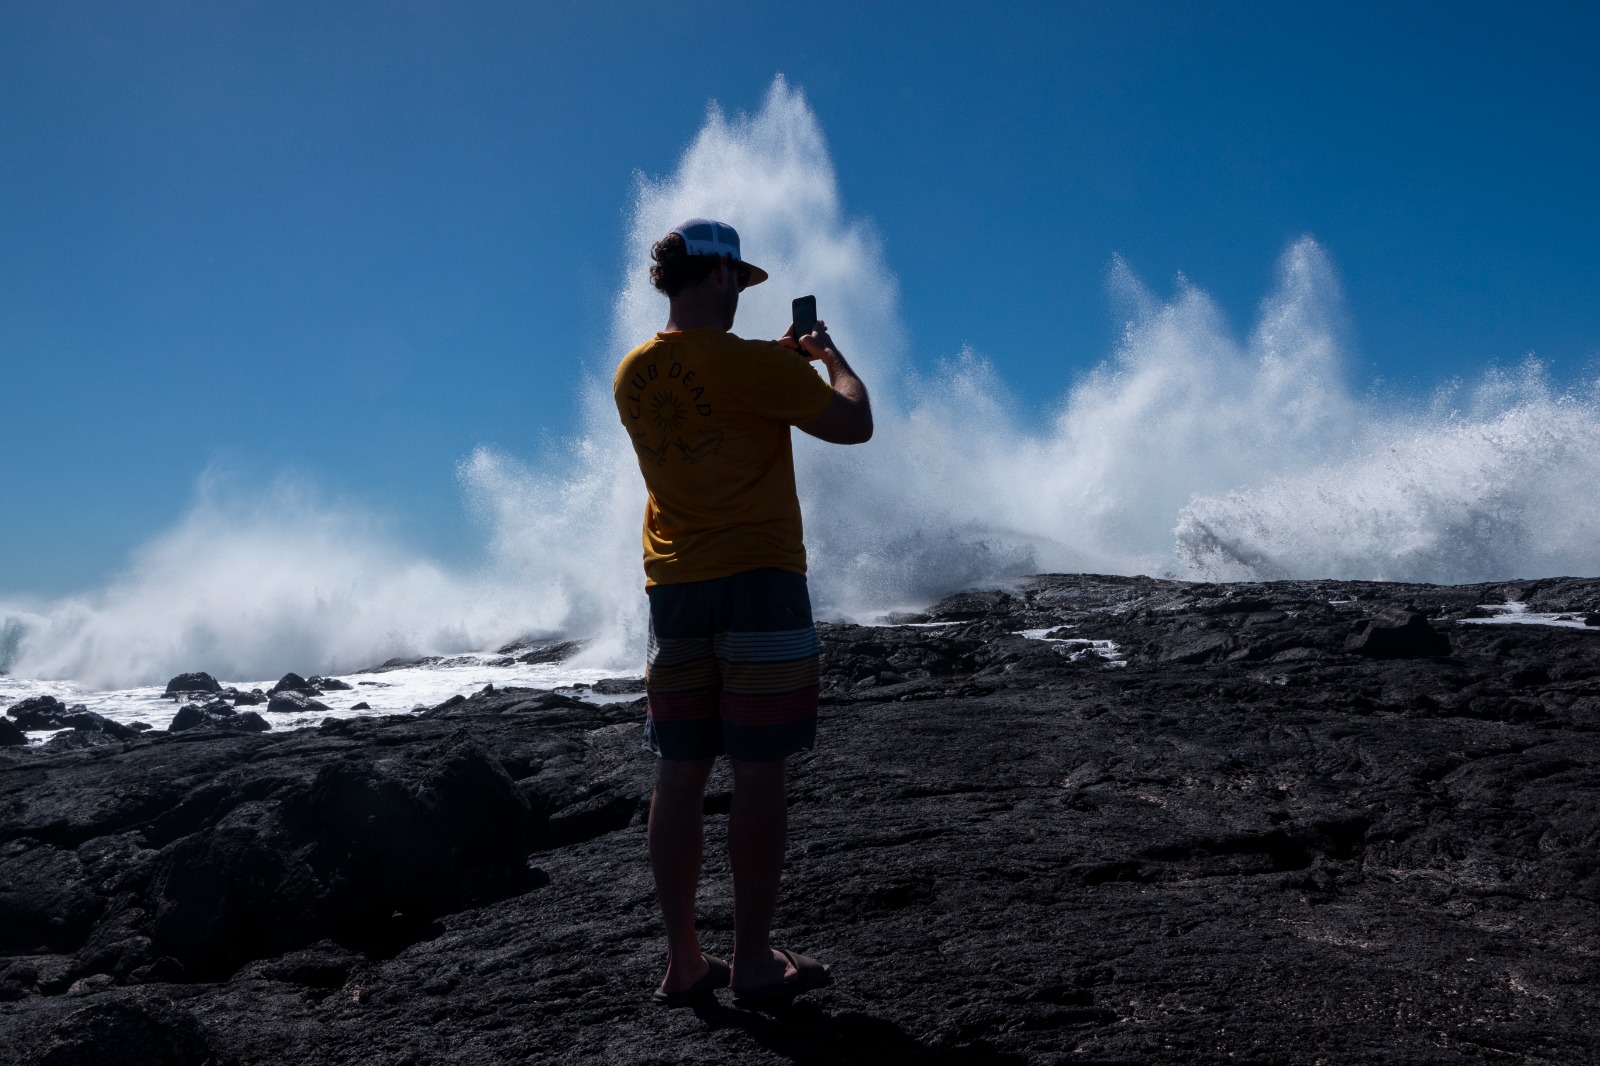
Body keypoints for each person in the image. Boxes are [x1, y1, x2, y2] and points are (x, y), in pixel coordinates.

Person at [613, 218, 873, 1008]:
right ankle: (754, 961)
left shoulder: (632, 373)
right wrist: (829, 358)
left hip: (673, 590)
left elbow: (713, 405)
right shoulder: (755, 365)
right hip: (760, 581)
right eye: (740, 281)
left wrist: (778, 366)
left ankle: (684, 963)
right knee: (758, 772)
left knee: (679, 773)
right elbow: (854, 422)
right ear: (722, 275)